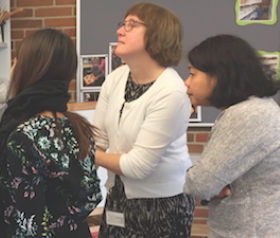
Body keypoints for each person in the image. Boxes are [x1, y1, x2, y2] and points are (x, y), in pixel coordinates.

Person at [0, 28, 102, 238]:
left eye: (17, 62)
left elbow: (28, 226)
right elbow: (90, 195)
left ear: (27, 70)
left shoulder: (23, 137)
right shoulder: (79, 126)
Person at [92, 2, 195, 237]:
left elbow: (138, 167)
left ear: (158, 36)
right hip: (118, 196)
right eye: (123, 24)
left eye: (132, 25)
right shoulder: (116, 78)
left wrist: (87, 154)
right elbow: (96, 138)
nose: (120, 31)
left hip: (161, 205)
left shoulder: (172, 91)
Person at [183, 34, 280, 237]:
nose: (187, 83)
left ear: (217, 76)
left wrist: (197, 181)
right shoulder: (260, 107)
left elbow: (200, 184)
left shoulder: (245, 115)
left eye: (193, 74)